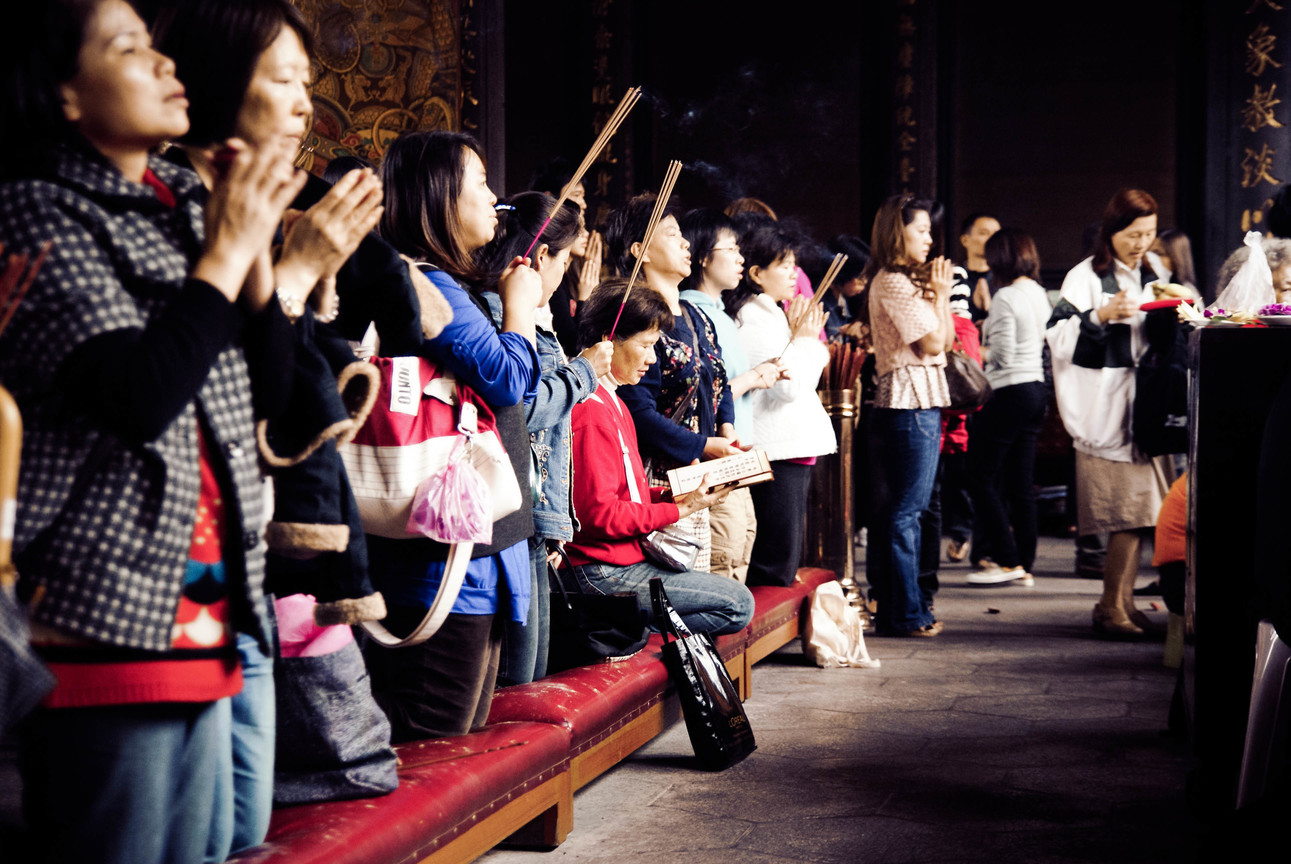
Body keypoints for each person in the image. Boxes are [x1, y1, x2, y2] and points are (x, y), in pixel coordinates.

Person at [0, 1, 304, 860]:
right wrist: (224, 250)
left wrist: (252, 260)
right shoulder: (34, 210)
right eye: (130, 48)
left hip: (209, 593)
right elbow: (135, 397)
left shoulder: (176, 199)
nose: (167, 65)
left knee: (214, 846)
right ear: (63, 93)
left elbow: (269, 393)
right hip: (99, 607)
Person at [152, 1, 395, 854]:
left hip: (240, 569)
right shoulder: (163, 210)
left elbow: (278, 391)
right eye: (284, 81)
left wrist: (302, 274)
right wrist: (292, 273)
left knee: (241, 827)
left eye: (307, 83)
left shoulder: (238, 206)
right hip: (153, 583)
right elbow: (186, 396)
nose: (305, 107)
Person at [367, 129, 542, 739]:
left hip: (470, 542)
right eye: (482, 184)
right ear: (441, 199)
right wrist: (520, 308)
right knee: (435, 728)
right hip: (445, 556)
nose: (496, 198)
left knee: (459, 729)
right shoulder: (428, 284)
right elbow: (507, 379)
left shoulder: (444, 283)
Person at [563, 279, 755, 636]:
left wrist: (676, 494)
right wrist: (682, 509)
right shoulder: (589, 411)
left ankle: (631, 624)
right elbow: (599, 516)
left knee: (735, 600)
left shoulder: (614, 401)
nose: (652, 358)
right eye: (647, 345)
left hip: (624, 559)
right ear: (609, 340)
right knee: (738, 604)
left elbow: (624, 494)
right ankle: (626, 623)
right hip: (601, 570)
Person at [476, 191, 613, 685]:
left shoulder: (532, 316)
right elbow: (519, 411)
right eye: (566, 259)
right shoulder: (497, 313)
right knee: (517, 676)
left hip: (534, 515)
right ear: (539, 256)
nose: (566, 273)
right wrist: (582, 374)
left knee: (533, 671)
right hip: (509, 513)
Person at [1046, 188, 1169, 638]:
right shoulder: (1087, 277)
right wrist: (1098, 315)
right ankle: (1109, 606)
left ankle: (1122, 603)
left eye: (1149, 234)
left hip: (1141, 409)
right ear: (1112, 232)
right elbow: (1057, 335)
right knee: (1129, 513)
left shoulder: (1152, 271)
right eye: (1133, 234)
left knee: (1140, 513)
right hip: (1103, 411)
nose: (1141, 243)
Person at [607, 194, 742, 572]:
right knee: (690, 579)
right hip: (664, 484)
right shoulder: (631, 316)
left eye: (683, 234)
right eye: (671, 234)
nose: (685, 243)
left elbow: (720, 382)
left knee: (729, 564)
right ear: (640, 251)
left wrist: (726, 430)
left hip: (707, 470)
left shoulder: (697, 315)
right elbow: (636, 410)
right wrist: (703, 444)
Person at [861, 195, 956, 637]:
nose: (930, 240)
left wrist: (938, 297)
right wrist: (940, 295)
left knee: (907, 510)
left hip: (919, 401)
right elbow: (932, 345)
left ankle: (900, 608)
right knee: (906, 512)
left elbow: (947, 338)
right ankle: (907, 613)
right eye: (921, 231)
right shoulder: (894, 281)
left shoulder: (905, 280)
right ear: (898, 232)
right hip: (908, 400)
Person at [725, 223, 835, 587]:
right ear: (757, 273)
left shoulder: (768, 312)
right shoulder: (753, 319)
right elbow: (789, 388)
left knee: (782, 555)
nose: (794, 274)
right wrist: (808, 342)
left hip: (786, 445)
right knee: (772, 561)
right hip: (774, 448)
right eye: (785, 265)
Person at [679, 208, 785, 582]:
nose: (741, 258)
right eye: (732, 249)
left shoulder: (718, 314)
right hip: (716, 455)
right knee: (725, 555)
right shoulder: (694, 314)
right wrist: (756, 376)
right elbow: (707, 394)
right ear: (704, 257)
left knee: (741, 546)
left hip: (733, 451)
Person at [965, 228, 1051, 586]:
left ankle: (1006, 559)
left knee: (980, 477)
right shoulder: (1037, 292)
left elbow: (1000, 356)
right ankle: (1023, 565)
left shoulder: (1005, 296)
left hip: (1010, 391)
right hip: (1036, 390)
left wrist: (972, 349)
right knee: (1021, 481)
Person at [953, 212, 1001, 324]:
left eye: (997, 234)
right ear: (965, 240)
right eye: (984, 233)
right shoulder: (954, 276)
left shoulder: (1006, 279)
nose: (992, 239)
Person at [1149, 228, 1198, 295]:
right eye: (1149, 252)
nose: (1150, 258)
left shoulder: (1187, 294)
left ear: (1176, 259)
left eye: (1159, 254)